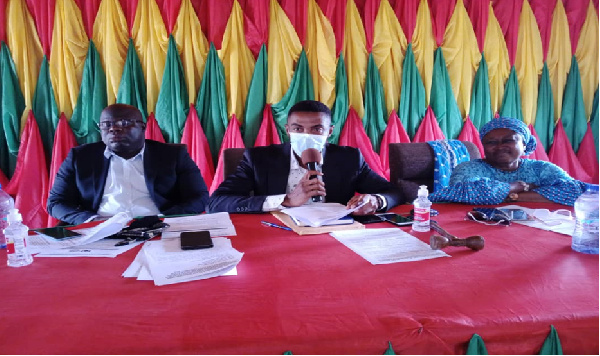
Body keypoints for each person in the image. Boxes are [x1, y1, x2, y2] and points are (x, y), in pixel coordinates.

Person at [208, 100, 404, 215]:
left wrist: (375, 201)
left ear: (330, 132)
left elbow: (393, 192)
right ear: (288, 131)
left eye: (317, 129)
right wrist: (286, 200)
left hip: (335, 236)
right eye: (298, 129)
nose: (307, 136)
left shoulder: (349, 158)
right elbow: (216, 203)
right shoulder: (259, 159)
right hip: (277, 235)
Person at [47, 104, 209, 225]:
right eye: (107, 124)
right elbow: (56, 203)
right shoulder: (80, 157)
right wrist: (91, 220)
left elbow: (199, 197)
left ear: (142, 126)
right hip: (100, 230)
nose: (114, 129)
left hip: (158, 228)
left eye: (124, 123)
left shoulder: (172, 155)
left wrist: (163, 219)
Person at [430, 117, 588, 205]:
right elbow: (465, 192)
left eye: (508, 140)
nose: (500, 147)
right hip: (481, 228)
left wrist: (513, 196)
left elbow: (576, 192)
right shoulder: (468, 168)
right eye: (491, 142)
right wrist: (518, 186)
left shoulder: (541, 168)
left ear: (524, 144)